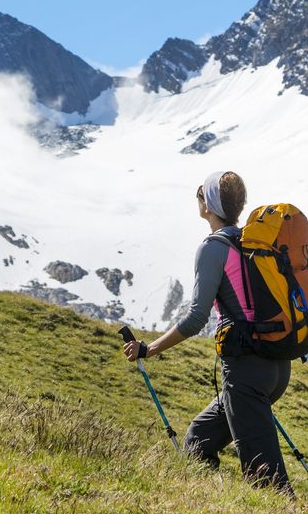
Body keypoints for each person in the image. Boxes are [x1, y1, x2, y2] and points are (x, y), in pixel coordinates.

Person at [121, 170, 293, 491]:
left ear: (208, 206)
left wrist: (150, 349)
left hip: (246, 369)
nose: (198, 198)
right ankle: (215, 506)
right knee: (199, 440)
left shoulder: (213, 248)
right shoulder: (252, 242)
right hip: (276, 367)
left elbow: (196, 317)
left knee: (266, 479)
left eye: (201, 193)